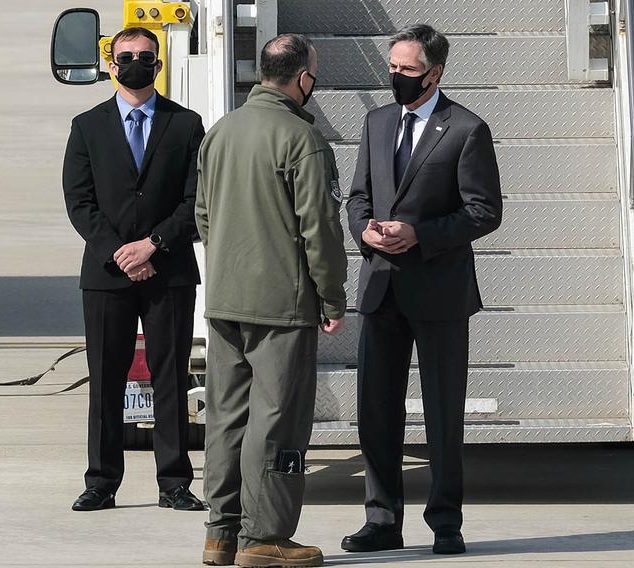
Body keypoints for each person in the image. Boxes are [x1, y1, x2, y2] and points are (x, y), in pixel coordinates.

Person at [342, 24, 502, 556]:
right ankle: (382, 518)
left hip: (439, 291)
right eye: (392, 67)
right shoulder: (377, 122)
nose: (396, 77)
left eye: (407, 70)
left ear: (435, 73)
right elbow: (358, 195)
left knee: (441, 412)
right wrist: (363, 229)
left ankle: (446, 523)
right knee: (376, 411)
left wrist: (421, 235)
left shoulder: (467, 129)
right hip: (382, 287)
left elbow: (484, 211)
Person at [196, 34, 347, 568]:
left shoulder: (220, 133)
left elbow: (204, 216)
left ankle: (220, 534)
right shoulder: (301, 140)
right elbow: (321, 232)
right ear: (302, 78)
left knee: (225, 417)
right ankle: (267, 537)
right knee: (278, 420)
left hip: (225, 300)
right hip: (281, 305)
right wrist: (332, 298)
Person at [63, 27, 205, 513]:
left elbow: (196, 200)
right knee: (106, 378)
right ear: (111, 63)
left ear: (159, 64)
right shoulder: (87, 126)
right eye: (126, 56)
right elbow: (79, 202)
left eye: (146, 56)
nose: (136, 63)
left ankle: (174, 482)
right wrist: (122, 252)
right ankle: (101, 481)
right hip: (107, 275)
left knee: (170, 377)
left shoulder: (186, 124)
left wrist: (153, 245)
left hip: (168, 272)